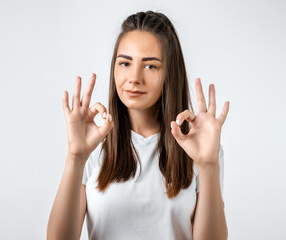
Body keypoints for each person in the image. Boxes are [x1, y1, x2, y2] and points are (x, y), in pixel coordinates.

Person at [47, 11, 229, 240]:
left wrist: (209, 164)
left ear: (170, 74)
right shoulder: (92, 147)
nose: (134, 77)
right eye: (125, 63)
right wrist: (75, 156)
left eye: (150, 66)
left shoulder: (200, 148)